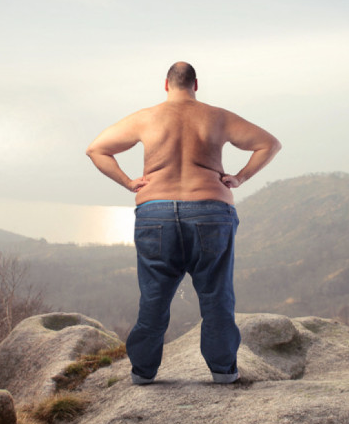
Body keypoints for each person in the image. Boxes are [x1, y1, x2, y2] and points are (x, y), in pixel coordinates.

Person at [86, 61, 281, 384]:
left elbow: (96, 150)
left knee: (154, 298)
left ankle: (143, 373)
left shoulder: (145, 117)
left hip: (155, 212)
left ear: (166, 85)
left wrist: (127, 182)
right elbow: (269, 144)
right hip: (210, 211)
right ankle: (223, 373)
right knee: (217, 296)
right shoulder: (217, 116)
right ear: (196, 85)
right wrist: (240, 178)